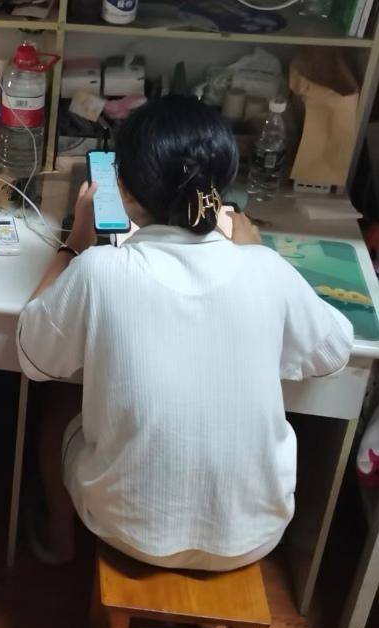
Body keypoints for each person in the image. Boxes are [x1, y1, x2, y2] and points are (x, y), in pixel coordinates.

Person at [18, 95, 353, 570]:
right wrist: (254, 255)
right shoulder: (265, 269)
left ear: (123, 191)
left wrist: (74, 243)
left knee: (57, 407)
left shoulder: (100, 270)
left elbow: (33, 356)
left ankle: (59, 539)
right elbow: (334, 354)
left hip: (127, 529)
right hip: (254, 536)